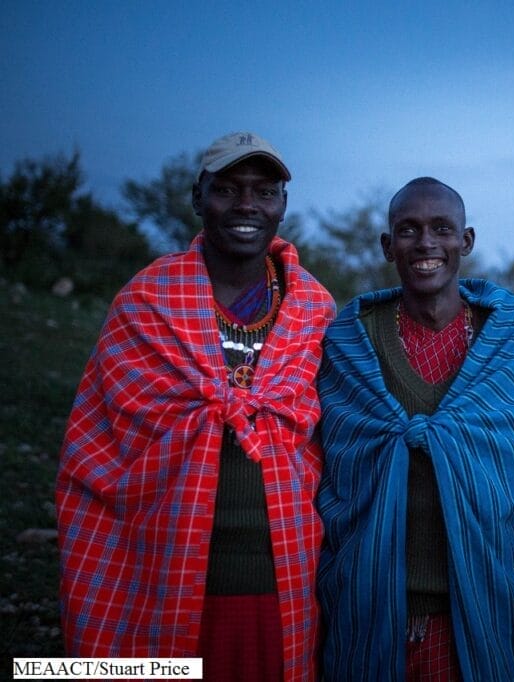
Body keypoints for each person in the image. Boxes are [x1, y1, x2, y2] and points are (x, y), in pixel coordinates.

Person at [56, 131, 335, 681]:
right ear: (197, 198)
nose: (247, 205)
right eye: (227, 190)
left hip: (282, 575)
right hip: (162, 569)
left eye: (264, 191)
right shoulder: (147, 300)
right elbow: (96, 447)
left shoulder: (315, 310)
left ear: (283, 205)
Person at [316, 177, 514, 681]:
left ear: (466, 241)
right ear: (386, 245)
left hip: (491, 589)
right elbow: (338, 468)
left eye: (442, 229)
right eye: (408, 230)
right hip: (375, 596)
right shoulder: (351, 340)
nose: (425, 244)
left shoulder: (509, 335)